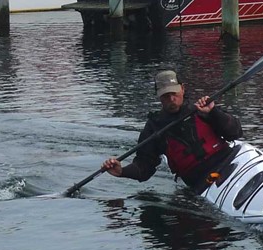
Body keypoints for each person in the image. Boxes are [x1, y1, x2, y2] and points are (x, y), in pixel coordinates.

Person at [101, 70, 243, 194]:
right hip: (200, 181)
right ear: (158, 96)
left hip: (229, 161)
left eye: (174, 93)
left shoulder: (202, 109)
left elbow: (235, 132)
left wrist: (214, 112)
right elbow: (144, 167)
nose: (171, 100)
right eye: (165, 96)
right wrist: (122, 172)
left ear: (182, 89)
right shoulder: (154, 127)